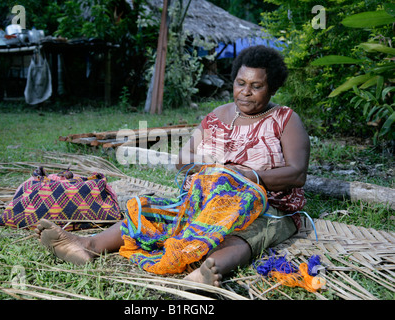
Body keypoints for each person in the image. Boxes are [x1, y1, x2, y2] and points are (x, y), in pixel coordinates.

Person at [35, 45, 310, 287]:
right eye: (240, 83)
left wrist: (247, 175)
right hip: (207, 202)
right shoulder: (216, 117)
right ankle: (88, 245)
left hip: (267, 209)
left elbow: (297, 173)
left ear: (272, 87)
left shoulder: (285, 120)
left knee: (243, 236)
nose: (245, 92)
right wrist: (213, 172)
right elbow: (184, 159)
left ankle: (204, 274)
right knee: (156, 211)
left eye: (256, 86)